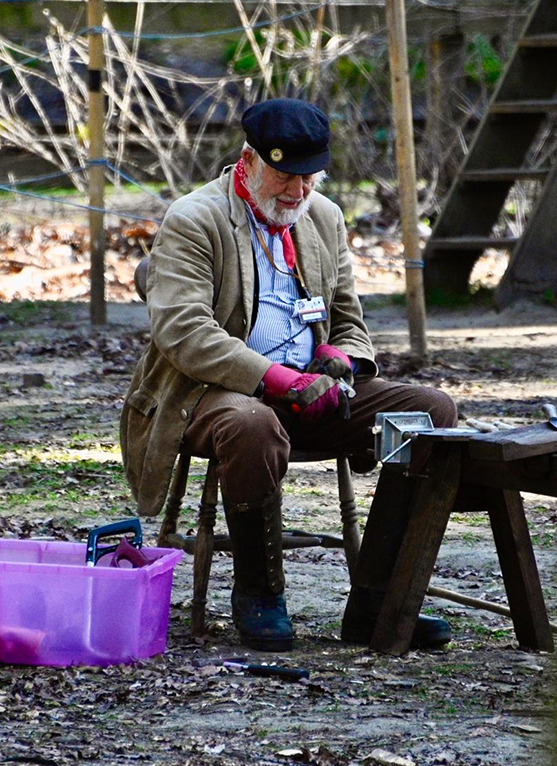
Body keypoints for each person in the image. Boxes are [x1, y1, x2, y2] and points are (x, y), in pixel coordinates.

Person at [120, 98, 457, 651]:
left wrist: (344, 360)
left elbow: (349, 322)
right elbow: (185, 334)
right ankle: (260, 592)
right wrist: (279, 380)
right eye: (285, 178)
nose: (297, 194)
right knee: (253, 425)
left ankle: (379, 601)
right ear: (249, 161)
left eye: (309, 179)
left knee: (429, 412)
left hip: (310, 395)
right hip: (210, 394)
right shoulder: (195, 218)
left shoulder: (322, 216)